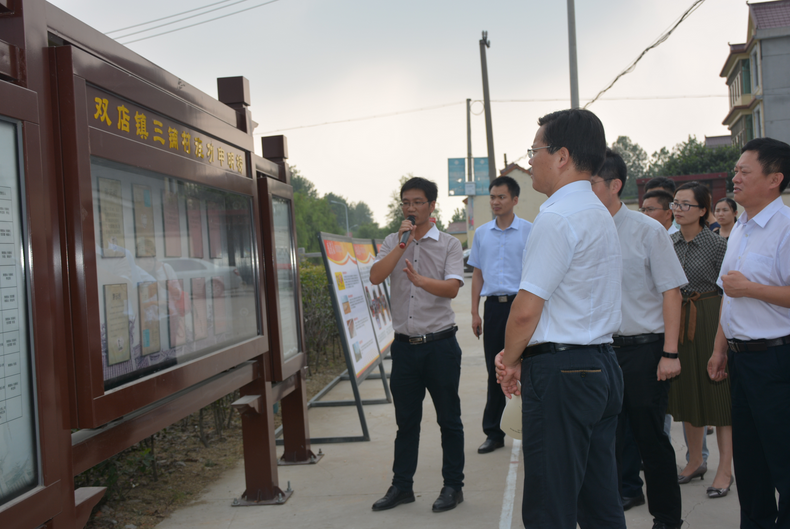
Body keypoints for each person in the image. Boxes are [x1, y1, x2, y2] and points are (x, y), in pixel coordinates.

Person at [495, 109, 626, 529]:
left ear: (562, 155)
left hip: (564, 374)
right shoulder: (598, 213)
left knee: (550, 505)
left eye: (534, 150)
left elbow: (526, 311)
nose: (530, 160)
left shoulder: (556, 217)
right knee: (599, 500)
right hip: (601, 366)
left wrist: (509, 359)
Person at [591, 149, 686, 529]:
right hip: (599, 351)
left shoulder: (649, 231)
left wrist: (670, 353)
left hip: (644, 352)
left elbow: (672, 293)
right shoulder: (584, 230)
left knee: (651, 442)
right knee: (605, 442)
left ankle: (666, 519)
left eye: (592, 183)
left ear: (614, 185)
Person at [369, 177, 465, 513]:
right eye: (406, 202)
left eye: (418, 202)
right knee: (406, 421)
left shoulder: (449, 244)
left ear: (432, 205)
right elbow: (376, 276)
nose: (411, 208)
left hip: (440, 345)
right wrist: (401, 245)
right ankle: (402, 487)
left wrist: (422, 281)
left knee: (448, 419)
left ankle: (453, 485)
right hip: (405, 348)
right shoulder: (393, 241)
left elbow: (453, 287)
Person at [708, 137, 790, 528]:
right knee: (751, 468)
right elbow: (729, 294)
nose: (734, 177)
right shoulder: (739, 226)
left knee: (784, 464)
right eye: (735, 170)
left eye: (744, 171)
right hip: (741, 361)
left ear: (774, 179)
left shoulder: (786, 228)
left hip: (777, 361)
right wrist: (719, 348)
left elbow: (743, 289)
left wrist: (752, 289)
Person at [665, 182, 733, 497]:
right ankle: (694, 461)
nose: (677, 209)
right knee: (687, 393)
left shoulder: (718, 244)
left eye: (685, 204)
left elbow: (728, 293)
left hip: (709, 315)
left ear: (703, 210)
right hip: (678, 319)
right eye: (675, 203)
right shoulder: (669, 242)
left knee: (719, 397)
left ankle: (724, 470)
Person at [468, 175, 532, 454]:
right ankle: (493, 433)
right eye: (492, 197)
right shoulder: (481, 234)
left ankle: (532, 427)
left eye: (501, 197)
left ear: (515, 200)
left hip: (524, 306)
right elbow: (477, 274)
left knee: (530, 368)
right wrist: (474, 312)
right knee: (497, 370)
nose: (495, 201)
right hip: (494, 308)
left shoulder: (530, 231)